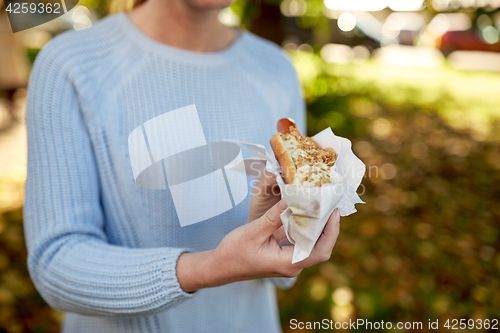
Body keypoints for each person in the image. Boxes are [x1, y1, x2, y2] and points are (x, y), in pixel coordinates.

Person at [23, 0, 341, 330]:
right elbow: (56, 263)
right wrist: (212, 267)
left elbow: (280, 273)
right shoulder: (72, 64)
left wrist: (291, 236)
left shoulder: (275, 68)